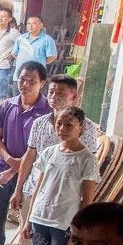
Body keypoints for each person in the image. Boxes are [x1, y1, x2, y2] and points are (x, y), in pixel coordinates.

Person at [0, 61, 51, 245]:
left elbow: (39, 151)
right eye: (22, 79)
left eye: (32, 81)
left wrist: (15, 169)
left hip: (31, 178)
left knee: (27, 224)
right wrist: (9, 160)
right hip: (1, 170)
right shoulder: (6, 105)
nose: (25, 84)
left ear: (42, 83)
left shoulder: (48, 112)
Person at [22, 107, 98, 245]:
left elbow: (87, 200)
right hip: (39, 218)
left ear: (81, 127)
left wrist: (79, 229)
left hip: (64, 223)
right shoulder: (49, 153)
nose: (62, 129)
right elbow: (39, 188)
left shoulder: (87, 159)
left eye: (69, 125)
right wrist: (28, 220)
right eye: (59, 124)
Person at [11, 73, 100, 216]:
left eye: (60, 93)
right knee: (26, 235)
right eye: (51, 92)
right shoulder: (39, 123)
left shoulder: (86, 127)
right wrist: (18, 189)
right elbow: (29, 157)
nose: (53, 96)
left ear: (74, 96)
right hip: (34, 191)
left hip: (64, 199)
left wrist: (85, 206)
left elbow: (89, 166)